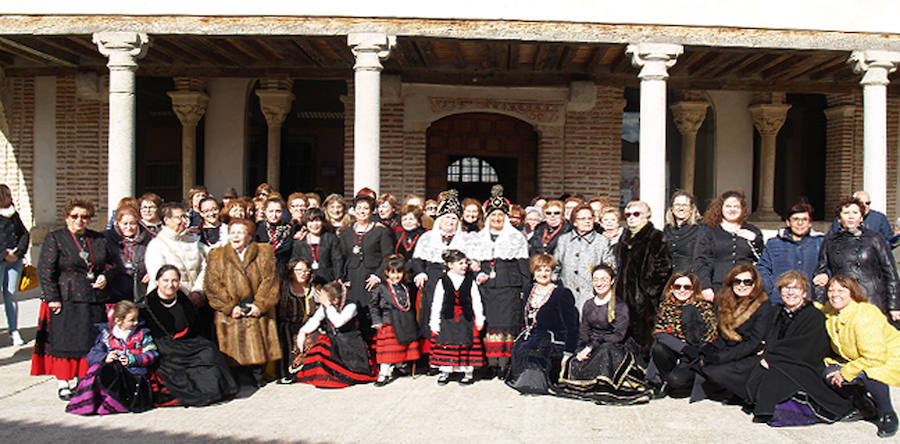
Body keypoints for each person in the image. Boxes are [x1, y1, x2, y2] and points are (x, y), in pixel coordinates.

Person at [743, 270, 852, 426]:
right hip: (781, 358)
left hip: (804, 363)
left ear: (804, 292)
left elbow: (806, 347)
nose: (790, 292)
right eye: (786, 288)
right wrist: (767, 353)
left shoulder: (814, 316)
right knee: (752, 368)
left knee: (774, 374)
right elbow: (770, 338)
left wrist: (772, 358)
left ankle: (769, 409)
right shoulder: (778, 311)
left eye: (796, 288)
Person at [33, 198, 113, 400]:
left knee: (88, 341)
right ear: (67, 217)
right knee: (66, 342)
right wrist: (52, 297)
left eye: (85, 217)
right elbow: (45, 270)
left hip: (93, 297)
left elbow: (110, 265)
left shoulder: (98, 239)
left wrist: (105, 276)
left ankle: (83, 380)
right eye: (75, 216)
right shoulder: (56, 238)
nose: (80, 220)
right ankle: (63, 382)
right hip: (66, 297)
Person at [140, 265, 238, 407]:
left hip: (186, 341)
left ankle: (216, 389)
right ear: (158, 281)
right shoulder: (148, 304)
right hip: (164, 344)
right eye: (165, 280)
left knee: (208, 350)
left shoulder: (183, 299)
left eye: (174, 281)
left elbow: (193, 325)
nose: (170, 285)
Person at [556, 264, 652, 405]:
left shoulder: (620, 305)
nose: (599, 283)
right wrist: (581, 350)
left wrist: (592, 347)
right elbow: (584, 331)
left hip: (614, 346)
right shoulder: (588, 304)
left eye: (604, 279)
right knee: (573, 363)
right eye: (596, 280)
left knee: (605, 352)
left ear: (612, 281)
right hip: (592, 345)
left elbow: (618, 335)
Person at [205, 219, 282, 387]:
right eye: (232, 232)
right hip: (231, 309)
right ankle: (237, 377)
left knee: (258, 346)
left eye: (240, 232)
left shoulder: (264, 251)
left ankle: (258, 376)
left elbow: (270, 280)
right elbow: (212, 284)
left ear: (250, 235)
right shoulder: (216, 254)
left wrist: (260, 305)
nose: (236, 236)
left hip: (256, 306)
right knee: (233, 349)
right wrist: (229, 307)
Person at [822, 275, 900, 437]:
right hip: (856, 358)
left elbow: (875, 357)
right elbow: (818, 309)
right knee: (828, 373)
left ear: (853, 292)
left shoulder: (864, 315)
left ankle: (887, 414)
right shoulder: (833, 311)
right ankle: (864, 405)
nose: (835, 294)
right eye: (831, 290)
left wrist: (845, 372)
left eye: (841, 290)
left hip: (888, 357)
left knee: (870, 373)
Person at [469, 185, 530, 376]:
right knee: (489, 326)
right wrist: (477, 274)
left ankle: (505, 365)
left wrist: (523, 289)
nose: (497, 219)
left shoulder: (516, 237)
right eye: (493, 216)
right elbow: (470, 266)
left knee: (507, 327)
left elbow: (523, 266)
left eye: (501, 216)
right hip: (486, 289)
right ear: (487, 218)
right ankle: (489, 365)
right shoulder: (478, 238)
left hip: (509, 289)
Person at [691, 265, 771, 403]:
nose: (742, 285)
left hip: (750, 353)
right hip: (728, 348)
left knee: (716, 371)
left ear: (755, 284)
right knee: (699, 365)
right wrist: (709, 352)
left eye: (747, 282)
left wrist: (722, 357)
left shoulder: (762, 305)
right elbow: (721, 334)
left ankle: (745, 395)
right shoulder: (725, 300)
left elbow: (754, 342)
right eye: (737, 281)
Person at [814, 197, 899, 324]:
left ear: (861, 217)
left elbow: (890, 273)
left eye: (855, 213)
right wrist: (820, 304)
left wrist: (894, 305)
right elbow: (820, 271)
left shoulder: (875, 238)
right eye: (846, 213)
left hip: (872, 298)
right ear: (839, 218)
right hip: (843, 299)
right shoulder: (830, 241)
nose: (851, 217)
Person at [411, 189, 473, 360]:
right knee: (433, 313)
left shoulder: (465, 238)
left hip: (457, 281)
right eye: (446, 218)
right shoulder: (427, 237)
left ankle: (453, 356)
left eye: (453, 218)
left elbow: (472, 260)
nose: (450, 221)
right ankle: (433, 357)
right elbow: (417, 261)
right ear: (439, 219)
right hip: (433, 278)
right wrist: (420, 274)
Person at [65, 300, 156, 415]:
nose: (136, 322)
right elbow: (92, 356)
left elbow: (152, 354)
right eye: (131, 320)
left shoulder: (142, 334)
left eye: (136, 319)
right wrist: (106, 357)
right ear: (118, 320)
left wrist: (132, 359)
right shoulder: (107, 335)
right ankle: (85, 403)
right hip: (114, 374)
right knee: (95, 369)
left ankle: (112, 404)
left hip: (135, 376)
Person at [505, 254, 579, 395]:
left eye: (547, 270)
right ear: (533, 272)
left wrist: (568, 353)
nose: (543, 274)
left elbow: (572, 326)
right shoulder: (528, 290)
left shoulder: (561, 293)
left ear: (552, 272)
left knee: (535, 352)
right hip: (530, 336)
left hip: (551, 340)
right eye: (539, 270)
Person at [647, 272, 717, 399]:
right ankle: (662, 380)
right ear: (671, 288)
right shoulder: (666, 307)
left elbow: (712, 334)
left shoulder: (704, 307)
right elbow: (660, 333)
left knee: (676, 382)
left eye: (687, 287)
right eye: (678, 286)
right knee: (659, 349)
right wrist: (684, 348)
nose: (682, 290)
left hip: (695, 354)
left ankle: (678, 382)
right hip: (676, 351)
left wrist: (698, 351)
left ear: (693, 289)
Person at [614, 200, 671, 357]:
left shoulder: (655, 236)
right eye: (628, 215)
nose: (631, 218)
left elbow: (663, 267)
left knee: (645, 339)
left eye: (636, 214)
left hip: (644, 301)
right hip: (623, 298)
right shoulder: (624, 238)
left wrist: (648, 290)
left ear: (647, 215)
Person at [294, 282, 376, 387]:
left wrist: (328, 305)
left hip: (350, 345)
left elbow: (338, 322)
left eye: (324, 297)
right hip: (335, 342)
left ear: (335, 300)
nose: (321, 299)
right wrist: (303, 332)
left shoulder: (351, 306)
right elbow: (315, 320)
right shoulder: (325, 308)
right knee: (320, 347)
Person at [693, 190, 764, 301]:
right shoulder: (708, 230)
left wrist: (754, 240)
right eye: (728, 206)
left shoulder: (752, 231)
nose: (732, 209)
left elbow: (762, 258)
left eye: (736, 206)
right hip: (718, 287)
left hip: (745, 287)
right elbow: (701, 260)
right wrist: (705, 286)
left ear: (742, 209)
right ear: (721, 208)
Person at [429, 249, 486, 385]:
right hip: (448, 319)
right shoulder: (442, 281)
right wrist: (434, 322)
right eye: (460, 263)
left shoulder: (469, 281)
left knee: (465, 344)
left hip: (465, 319)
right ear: (450, 265)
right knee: (447, 343)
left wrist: (479, 318)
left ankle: (467, 372)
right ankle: (445, 371)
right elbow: (436, 302)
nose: (464, 266)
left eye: (465, 263)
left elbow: (476, 301)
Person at [338, 193, 394, 328]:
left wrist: (378, 276)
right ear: (354, 210)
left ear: (371, 211)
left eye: (365, 208)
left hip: (371, 277)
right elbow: (341, 257)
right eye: (359, 208)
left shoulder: (381, 231)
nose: (361, 211)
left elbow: (388, 256)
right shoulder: (345, 232)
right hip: (352, 277)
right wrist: (341, 277)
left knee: (371, 313)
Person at [756, 202, 823, 304]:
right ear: (788, 222)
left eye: (804, 220)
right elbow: (762, 268)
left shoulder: (820, 242)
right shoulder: (774, 243)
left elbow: (828, 266)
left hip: (811, 300)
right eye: (795, 219)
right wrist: (771, 289)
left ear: (810, 223)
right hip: (780, 301)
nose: (800, 223)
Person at [554, 203, 615, 317]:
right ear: (574, 222)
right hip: (567, 297)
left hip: (591, 298)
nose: (587, 221)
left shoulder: (601, 242)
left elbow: (610, 269)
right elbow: (555, 267)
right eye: (582, 219)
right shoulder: (564, 240)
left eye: (590, 218)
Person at [369, 256, 420, 386]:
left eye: (399, 272)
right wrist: (377, 321)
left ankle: (400, 365)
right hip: (388, 321)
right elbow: (373, 305)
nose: (396, 276)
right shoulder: (381, 287)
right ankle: (383, 374)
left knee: (403, 345)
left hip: (404, 320)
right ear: (387, 273)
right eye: (393, 272)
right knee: (387, 350)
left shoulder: (405, 287)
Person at [144, 202, 207, 308]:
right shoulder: (156, 245)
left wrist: (198, 291)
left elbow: (206, 267)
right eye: (179, 217)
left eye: (184, 217)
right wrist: (185, 295)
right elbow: (158, 275)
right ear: (166, 220)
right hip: (170, 302)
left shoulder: (194, 242)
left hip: (197, 301)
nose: (184, 221)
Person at [276, 257, 319, 384]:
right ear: (291, 271)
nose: (302, 273)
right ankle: (289, 372)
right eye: (298, 270)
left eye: (306, 270)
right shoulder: (283, 288)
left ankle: (310, 372)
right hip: (288, 325)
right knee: (288, 340)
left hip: (310, 325)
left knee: (314, 339)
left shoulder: (315, 288)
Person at [0, 184, 29, 345]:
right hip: (1, 259)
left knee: (10, 294)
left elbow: (24, 234)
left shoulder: (13, 215)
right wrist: (5, 254)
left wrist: (18, 253)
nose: (11, 198)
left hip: (14, 261)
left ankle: (14, 330)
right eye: (7, 195)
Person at [104, 206, 151, 304]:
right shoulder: (106, 239)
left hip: (141, 290)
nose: (128, 227)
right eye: (124, 224)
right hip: (115, 291)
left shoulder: (148, 239)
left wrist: (152, 272)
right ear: (117, 223)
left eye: (132, 223)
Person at [290, 207, 344, 285]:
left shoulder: (331, 239)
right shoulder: (299, 243)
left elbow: (337, 260)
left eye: (317, 220)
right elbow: (294, 263)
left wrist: (338, 278)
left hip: (328, 282)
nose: (314, 224)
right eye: (310, 221)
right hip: (307, 282)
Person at [828, 190, 894, 243]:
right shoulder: (842, 219)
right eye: (861, 203)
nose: (865, 206)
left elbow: (889, 240)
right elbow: (830, 239)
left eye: (867, 203)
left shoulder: (879, 218)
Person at [663, 190, 702, 274]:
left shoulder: (700, 228)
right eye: (677, 205)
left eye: (685, 205)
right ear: (672, 209)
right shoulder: (667, 229)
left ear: (691, 209)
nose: (681, 208)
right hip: (670, 279)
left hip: (690, 278)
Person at [254, 196, 293, 270]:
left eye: (278, 211)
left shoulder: (289, 228)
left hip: (282, 269)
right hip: (262, 267)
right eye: (271, 211)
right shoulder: (258, 227)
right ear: (265, 211)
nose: (274, 215)